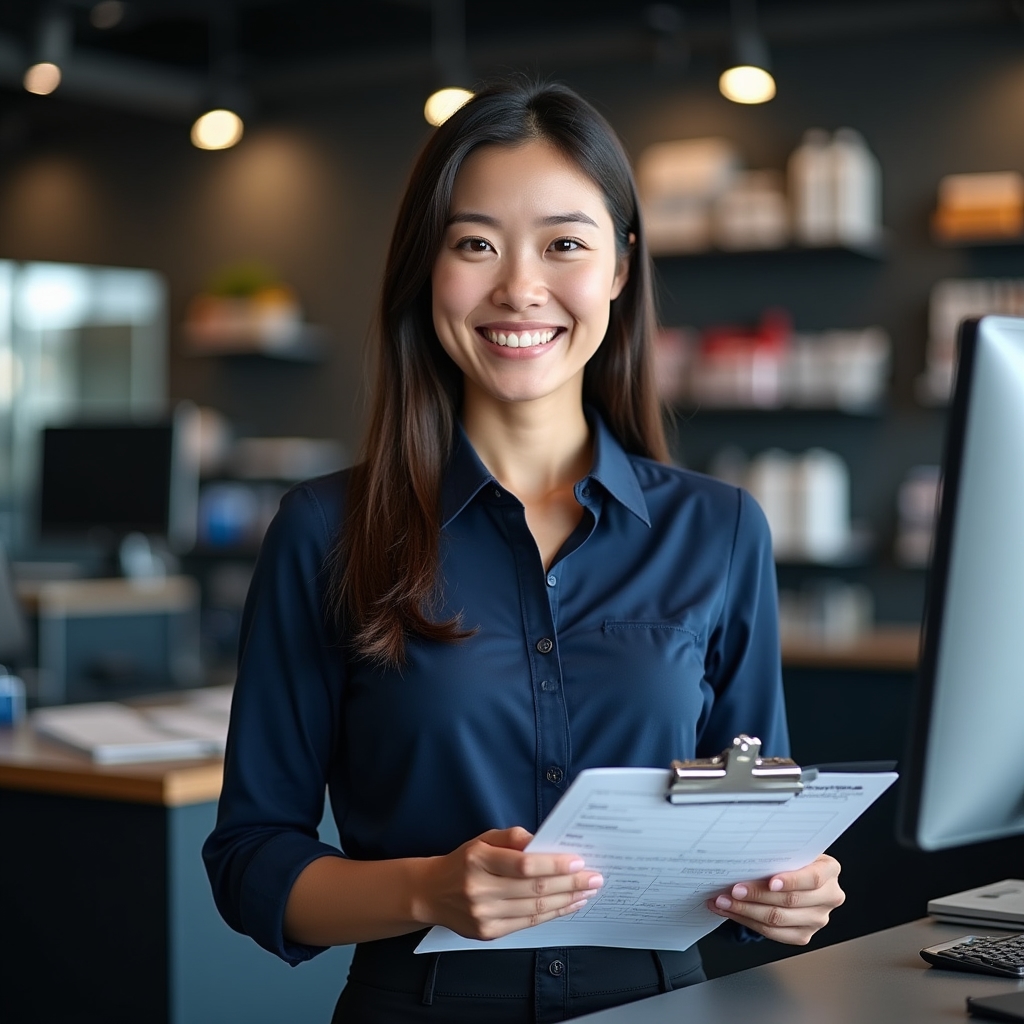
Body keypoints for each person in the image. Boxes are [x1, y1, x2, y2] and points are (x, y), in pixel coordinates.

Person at [203, 80, 845, 1023]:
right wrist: (428, 891)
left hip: (664, 1006)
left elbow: (752, 817)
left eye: (565, 243)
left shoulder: (720, 528)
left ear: (621, 267)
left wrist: (790, 894)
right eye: (476, 244)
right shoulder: (323, 531)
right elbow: (252, 857)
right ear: (428, 269)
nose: (519, 287)